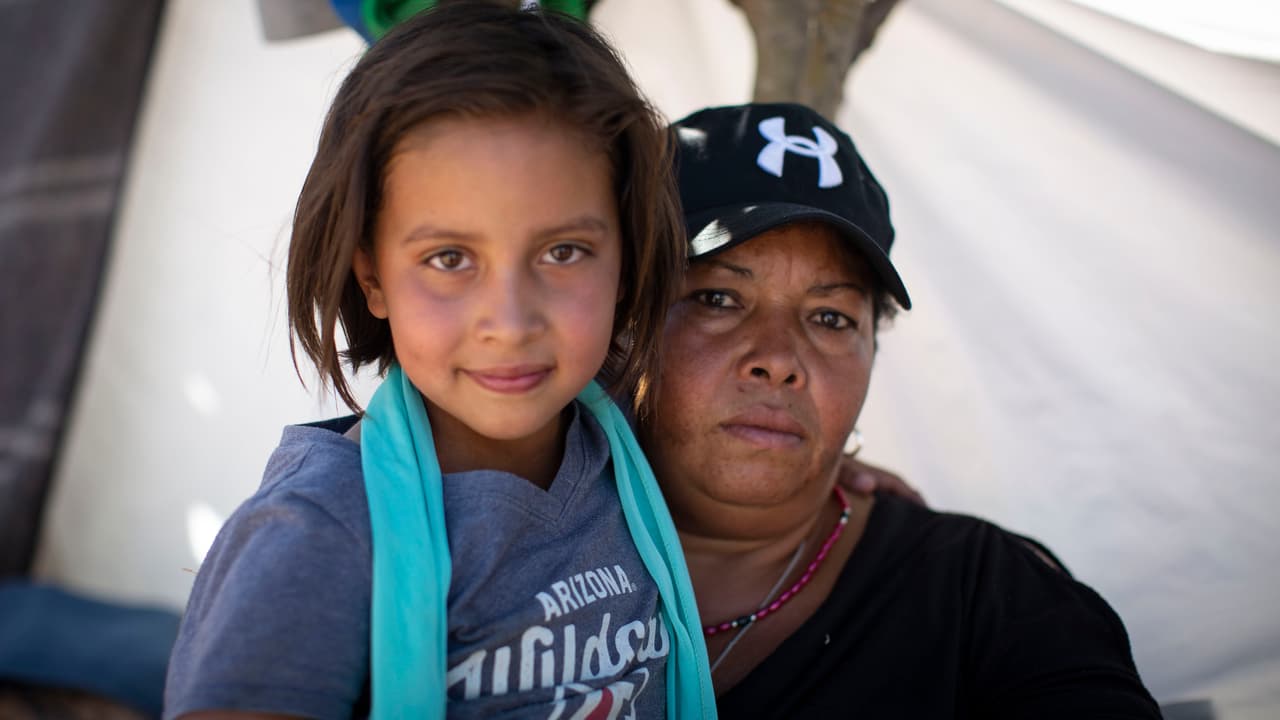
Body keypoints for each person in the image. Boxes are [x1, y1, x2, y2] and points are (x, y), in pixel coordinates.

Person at [164, 4, 715, 718]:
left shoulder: (626, 443)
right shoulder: (319, 537)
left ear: (626, 256)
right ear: (371, 277)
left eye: (564, 252)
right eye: (450, 259)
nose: (510, 324)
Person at [643, 101, 1163, 717]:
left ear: (872, 352)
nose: (779, 359)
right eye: (719, 298)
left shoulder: (985, 594)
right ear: (623, 323)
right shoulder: (516, 544)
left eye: (830, 317)